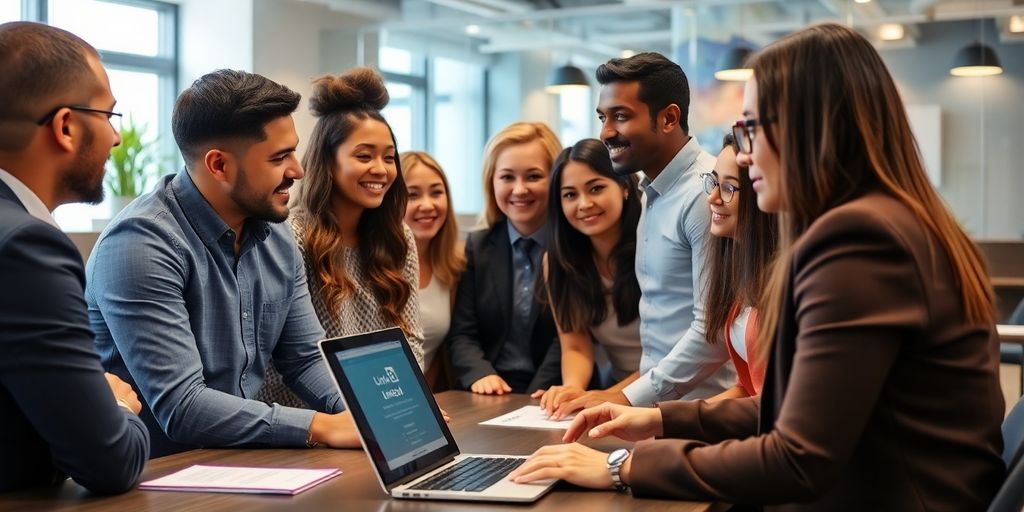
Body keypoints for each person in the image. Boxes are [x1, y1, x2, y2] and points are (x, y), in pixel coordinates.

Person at [509, 23, 1004, 510]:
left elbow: (798, 459)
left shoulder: (857, 240)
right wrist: (661, 420)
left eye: (749, 129)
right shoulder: (889, 220)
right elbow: (800, 411)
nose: (742, 159)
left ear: (809, 127)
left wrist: (622, 467)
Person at [86, 69, 361, 458]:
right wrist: (320, 426)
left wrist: (371, 414)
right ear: (219, 165)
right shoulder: (140, 244)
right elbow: (183, 406)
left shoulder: (275, 234)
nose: (297, 171)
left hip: (239, 459)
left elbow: (305, 358)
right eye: (279, 157)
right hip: (156, 475)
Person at [0, 21, 149, 493]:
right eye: (109, 116)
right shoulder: (26, 248)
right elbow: (109, 462)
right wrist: (117, 405)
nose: (117, 139)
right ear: (66, 126)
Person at [554, 52, 734, 413]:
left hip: (700, 419)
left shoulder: (705, 192)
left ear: (668, 118)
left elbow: (711, 331)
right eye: (603, 117)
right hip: (656, 414)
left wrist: (623, 399)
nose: (606, 132)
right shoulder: (653, 191)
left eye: (620, 116)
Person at [257, 67, 425, 408]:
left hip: (381, 410)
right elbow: (287, 359)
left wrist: (410, 402)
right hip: (311, 421)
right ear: (328, 162)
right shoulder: (291, 235)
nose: (381, 168)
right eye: (363, 156)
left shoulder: (398, 237)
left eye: (389, 157)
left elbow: (412, 341)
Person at [446, 122, 562, 395]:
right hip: (491, 389)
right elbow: (463, 333)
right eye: (507, 177)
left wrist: (535, 395)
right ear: (491, 182)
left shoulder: (572, 248)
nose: (519, 189)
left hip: (552, 390)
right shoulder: (478, 245)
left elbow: (571, 339)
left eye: (533, 176)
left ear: (556, 179)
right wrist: (481, 375)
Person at [531, 139, 643, 418]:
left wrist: (613, 395)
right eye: (570, 195)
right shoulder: (557, 262)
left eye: (596, 188)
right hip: (620, 396)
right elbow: (575, 346)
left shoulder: (654, 246)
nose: (584, 204)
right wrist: (571, 389)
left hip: (676, 390)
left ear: (625, 187)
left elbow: (671, 353)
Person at [700, 133, 777, 401]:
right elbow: (746, 388)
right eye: (713, 182)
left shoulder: (780, 282)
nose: (713, 198)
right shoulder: (744, 274)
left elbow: (766, 402)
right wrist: (660, 418)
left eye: (729, 187)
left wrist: (662, 421)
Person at [402, 151, 465, 390]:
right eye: (412, 195)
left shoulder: (453, 267)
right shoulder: (373, 268)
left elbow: (435, 356)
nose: (427, 205)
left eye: (436, 192)